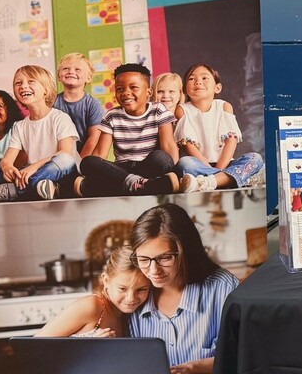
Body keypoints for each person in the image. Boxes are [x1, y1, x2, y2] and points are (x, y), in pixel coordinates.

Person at [129, 203, 239, 373]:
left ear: (186, 251)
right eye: (143, 260)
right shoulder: (133, 295)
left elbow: (245, 356)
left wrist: (197, 368)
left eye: (164, 258)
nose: (153, 271)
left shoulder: (224, 288)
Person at [0, 66, 79, 203]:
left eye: (31, 81)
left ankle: (11, 191)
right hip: (31, 174)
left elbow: (65, 153)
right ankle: (40, 187)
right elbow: (7, 160)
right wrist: (8, 168)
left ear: (46, 90)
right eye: (18, 83)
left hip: (60, 171)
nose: (23, 86)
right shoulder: (19, 126)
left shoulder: (60, 118)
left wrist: (34, 167)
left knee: (64, 159)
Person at [76, 64, 180, 197]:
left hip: (148, 166)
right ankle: (144, 185)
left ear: (149, 92)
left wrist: (175, 172)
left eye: (133, 87)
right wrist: (94, 169)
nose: (126, 93)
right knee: (88, 162)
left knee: (161, 158)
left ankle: (100, 187)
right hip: (121, 169)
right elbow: (100, 153)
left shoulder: (159, 110)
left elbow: (169, 145)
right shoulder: (111, 115)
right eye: (120, 89)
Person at [173, 64, 264, 193]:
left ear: (217, 88)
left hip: (225, 164)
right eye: (191, 79)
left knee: (255, 158)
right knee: (185, 163)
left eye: (204, 78)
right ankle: (230, 180)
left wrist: (220, 168)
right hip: (199, 166)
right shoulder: (182, 110)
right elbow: (188, 145)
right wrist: (216, 172)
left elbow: (231, 141)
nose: (198, 82)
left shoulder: (224, 106)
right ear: (185, 90)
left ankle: (211, 181)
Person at [36, 245, 151, 338]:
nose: (131, 298)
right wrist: (89, 347)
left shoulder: (127, 315)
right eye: (122, 289)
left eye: (141, 289)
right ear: (106, 280)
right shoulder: (91, 306)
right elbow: (35, 346)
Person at [53, 53, 105, 156]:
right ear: (59, 76)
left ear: (88, 78)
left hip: (85, 156)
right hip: (59, 155)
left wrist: (79, 162)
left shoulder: (93, 104)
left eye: (77, 69)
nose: (71, 72)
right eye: (66, 69)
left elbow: (93, 138)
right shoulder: (52, 102)